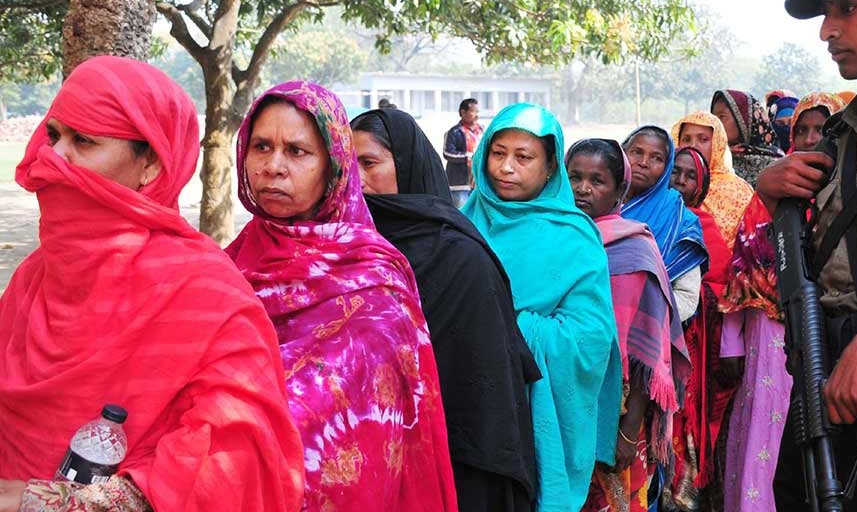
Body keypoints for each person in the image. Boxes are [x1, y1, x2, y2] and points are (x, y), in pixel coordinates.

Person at [0, 57, 304, 512]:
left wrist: (46, 501)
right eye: (53, 136)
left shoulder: (206, 295)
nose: (53, 158)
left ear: (152, 167)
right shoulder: (34, 277)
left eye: (84, 141)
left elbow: (234, 460)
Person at [225, 81, 457, 511]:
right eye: (261, 146)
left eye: (296, 152)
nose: (273, 166)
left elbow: (317, 417)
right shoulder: (232, 261)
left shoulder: (373, 285)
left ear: (333, 166)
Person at [757, 0, 857, 510]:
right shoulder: (832, 144)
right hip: (821, 396)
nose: (828, 30)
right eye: (825, 13)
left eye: (848, 8)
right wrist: (773, 200)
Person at [350, 108, 541, 511]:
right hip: (360, 463)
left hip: (454, 460)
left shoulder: (459, 256)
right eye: (346, 165)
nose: (355, 179)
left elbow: (486, 392)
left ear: (407, 165)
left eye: (368, 163)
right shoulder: (337, 249)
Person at [462, 103, 621, 512]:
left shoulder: (574, 236)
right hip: (466, 409)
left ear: (551, 166)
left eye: (524, 156)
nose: (507, 168)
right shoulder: (462, 221)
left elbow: (590, 338)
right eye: (498, 153)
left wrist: (510, 327)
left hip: (529, 415)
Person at [716, 91, 845, 511]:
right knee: (762, 434)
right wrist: (730, 346)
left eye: (820, 130)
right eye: (801, 129)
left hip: (831, 337)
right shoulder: (771, 192)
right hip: (767, 340)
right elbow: (742, 262)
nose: (809, 139)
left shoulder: (848, 193)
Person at [565, 139, 690, 512]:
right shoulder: (558, 238)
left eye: (597, 180)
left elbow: (644, 352)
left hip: (617, 411)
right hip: (564, 401)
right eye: (574, 177)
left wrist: (628, 429)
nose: (583, 189)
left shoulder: (634, 249)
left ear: (620, 190)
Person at [667, 146, 735, 512]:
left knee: (685, 422)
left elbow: (724, 284)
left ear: (702, 184)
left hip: (693, 346)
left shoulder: (703, 225)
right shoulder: (645, 215)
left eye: (689, 175)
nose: (680, 181)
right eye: (674, 172)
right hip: (655, 342)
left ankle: (685, 497)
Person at [621, 126, 708, 323]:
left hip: (648, 334)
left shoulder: (680, 220)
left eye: (656, 158)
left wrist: (642, 320)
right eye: (637, 152)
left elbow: (686, 296)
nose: (643, 163)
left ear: (667, 167)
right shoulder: (597, 202)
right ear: (622, 153)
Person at [671, 111, 754, 249]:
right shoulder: (668, 183)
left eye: (703, 139)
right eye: (686, 139)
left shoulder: (738, 191)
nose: (693, 145)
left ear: (717, 144)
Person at [710, 90, 784, 186]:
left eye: (722, 117)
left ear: (743, 120)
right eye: (713, 118)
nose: (715, 124)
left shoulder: (776, 166)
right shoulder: (712, 160)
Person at [443, 97, 483, 207]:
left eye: (477, 112)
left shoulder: (481, 130)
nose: (477, 115)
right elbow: (447, 153)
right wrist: (469, 156)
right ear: (463, 112)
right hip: (459, 184)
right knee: (461, 215)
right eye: (473, 112)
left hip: (477, 183)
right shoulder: (454, 131)